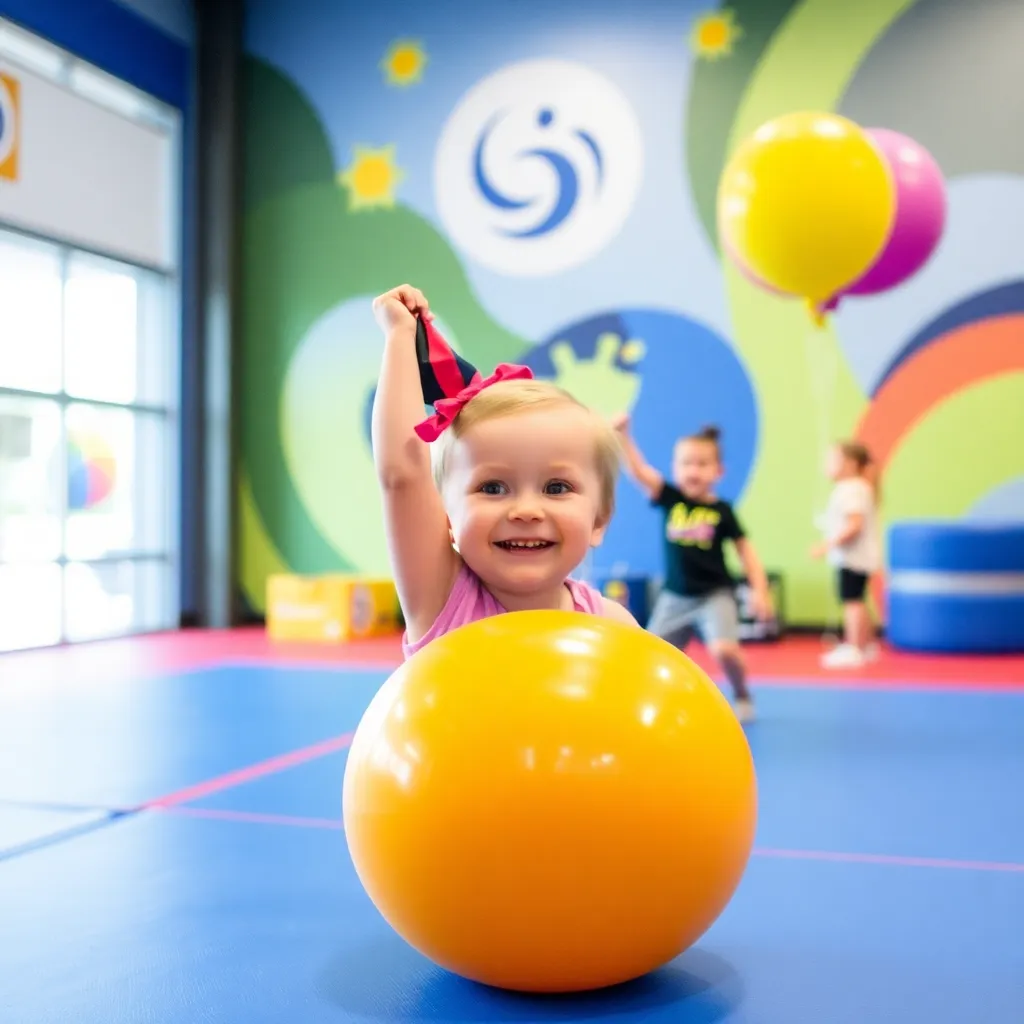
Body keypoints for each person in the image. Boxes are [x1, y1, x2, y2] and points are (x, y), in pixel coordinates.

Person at [371, 283, 639, 658]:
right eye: (493, 487)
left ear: (599, 520)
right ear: (445, 515)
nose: (526, 510)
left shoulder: (613, 627)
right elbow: (403, 476)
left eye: (557, 488)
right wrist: (400, 334)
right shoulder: (442, 600)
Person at [612, 415, 772, 723]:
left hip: (715, 594)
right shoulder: (671, 500)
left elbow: (746, 552)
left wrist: (760, 591)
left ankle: (741, 693)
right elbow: (639, 472)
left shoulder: (721, 511)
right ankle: (653, 703)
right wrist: (624, 436)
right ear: (675, 468)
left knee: (725, 650)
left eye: (702, 464)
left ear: (718, 471)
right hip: (675, 596)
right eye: (686, 463)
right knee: (651, 653)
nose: (693, 471)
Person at [811, 440, 881, 668]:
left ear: (849, 464)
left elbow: (855, 524)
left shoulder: (851, 489)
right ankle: (866, 645)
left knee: (852, 602)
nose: (827, 465)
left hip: (853, 557)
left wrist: (827, 545)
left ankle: (854, 647)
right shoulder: (858, 487)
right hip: (859, 557)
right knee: (858, 599)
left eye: (832, 460)